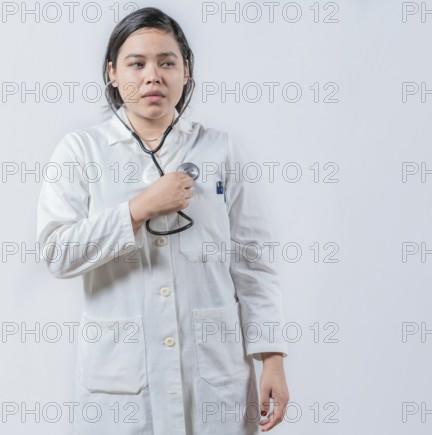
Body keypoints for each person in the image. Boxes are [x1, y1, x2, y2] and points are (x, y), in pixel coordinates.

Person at [36, 7, 289, 435]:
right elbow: (56, 252)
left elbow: (253, 264)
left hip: (213, 377)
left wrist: (273, 358)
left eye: (167, 62)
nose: (153, 76)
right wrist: (138, 209)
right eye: (137, 63)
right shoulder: (81, 150)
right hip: (121, 384)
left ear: (186, 71)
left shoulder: (221, 150)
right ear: (113, 73)